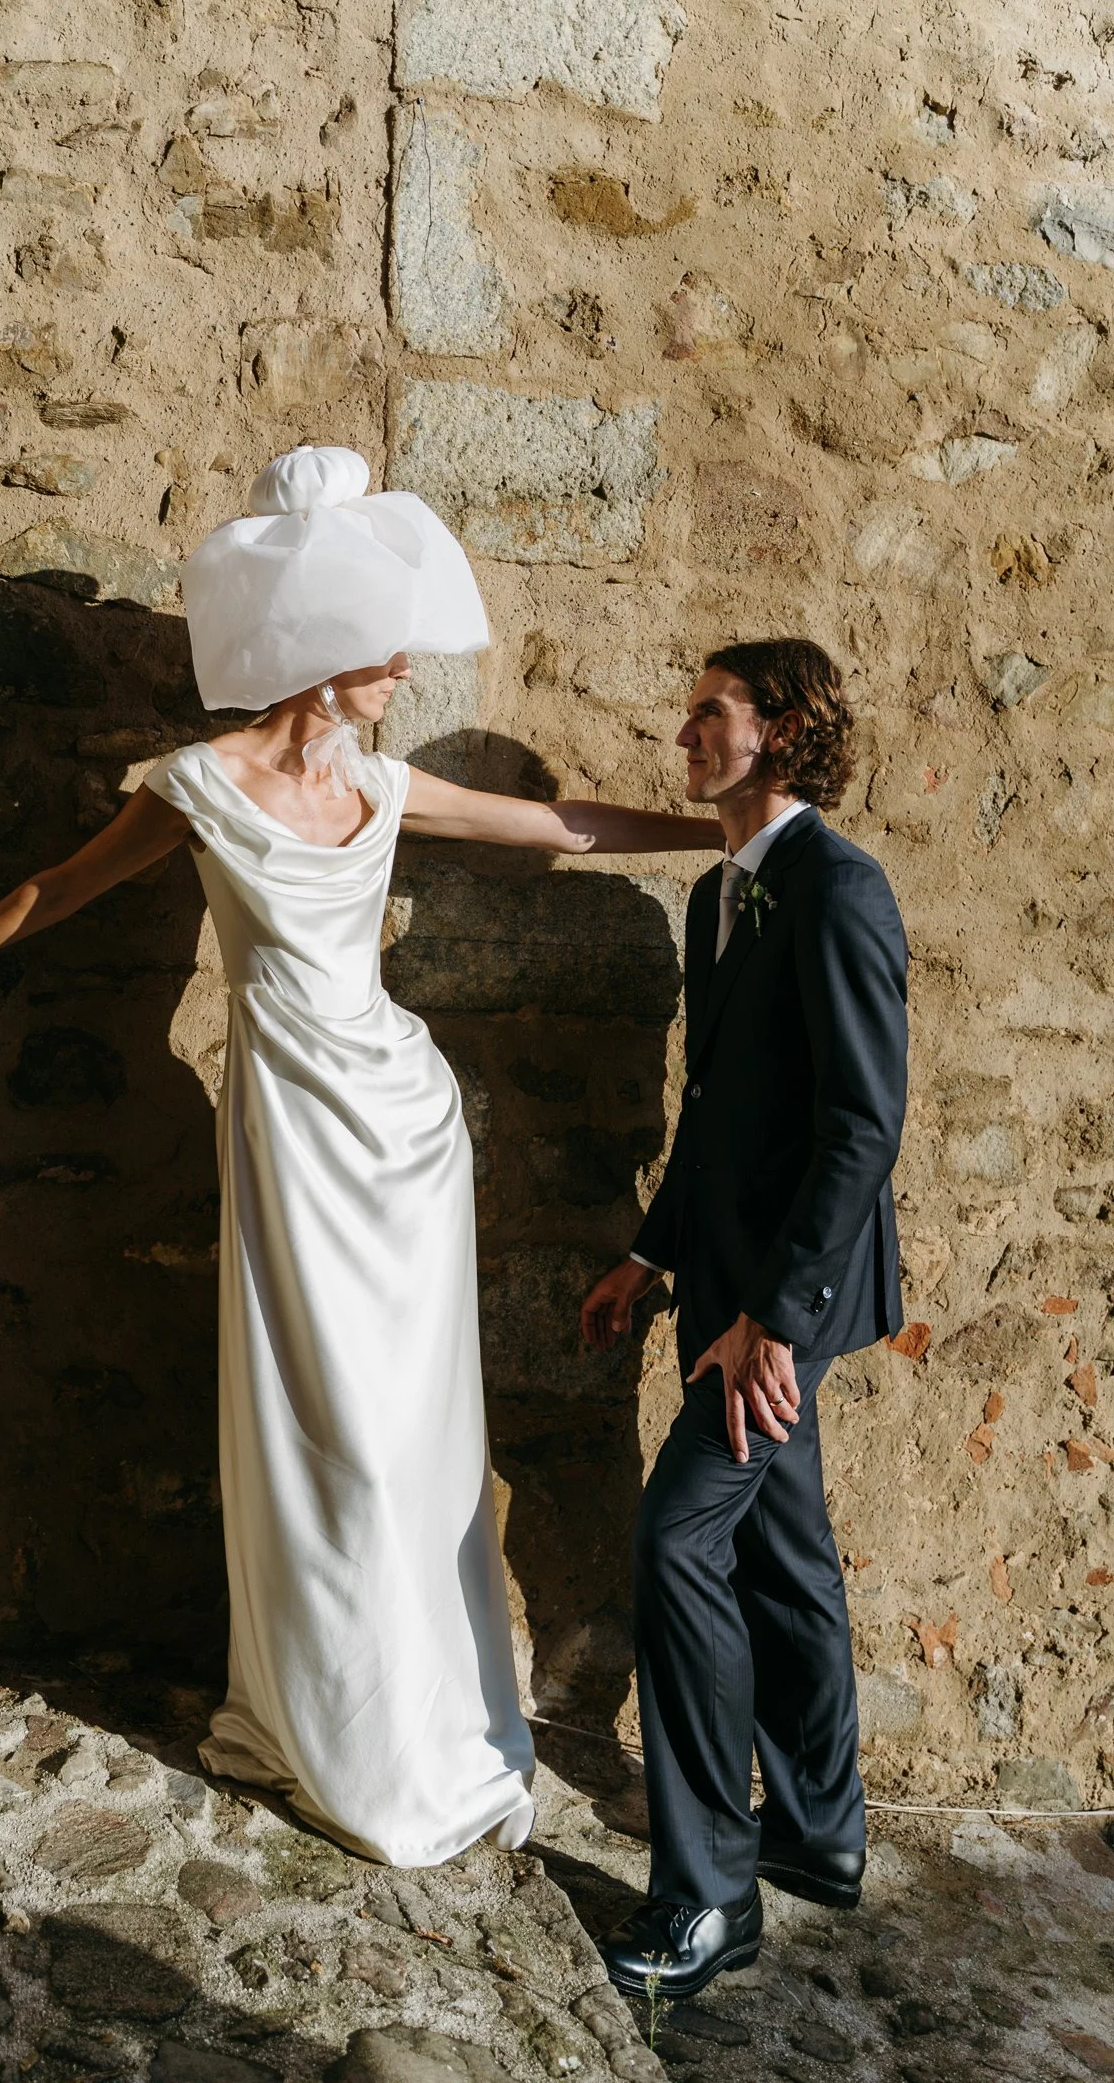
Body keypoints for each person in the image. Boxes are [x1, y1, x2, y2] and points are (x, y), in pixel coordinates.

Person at [0, 444, 724, 1867]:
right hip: (290, 1125)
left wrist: (726, 829)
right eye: (382, 650)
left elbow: (559, 825)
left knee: (418, 1442)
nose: (404, 670)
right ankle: (330, 1721)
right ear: (321, 653)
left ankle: (426, 1720)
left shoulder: (380, 779)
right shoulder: (197, 785)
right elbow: (57, 887)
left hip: (401, 1126)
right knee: (330, 1433)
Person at [581, 639, 908, 1997]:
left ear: (778, 730)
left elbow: (860, 1125)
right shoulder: (723, 898)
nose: (683, 731)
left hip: (784, 1301)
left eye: (706, 710)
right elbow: (717, 1111)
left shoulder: (838, 890)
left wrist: (775, 1320)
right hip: (716, 1280)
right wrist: (650, 1257)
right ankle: (822, 1838)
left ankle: (710, 1893)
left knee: (676, 1539)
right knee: (778, 1550)